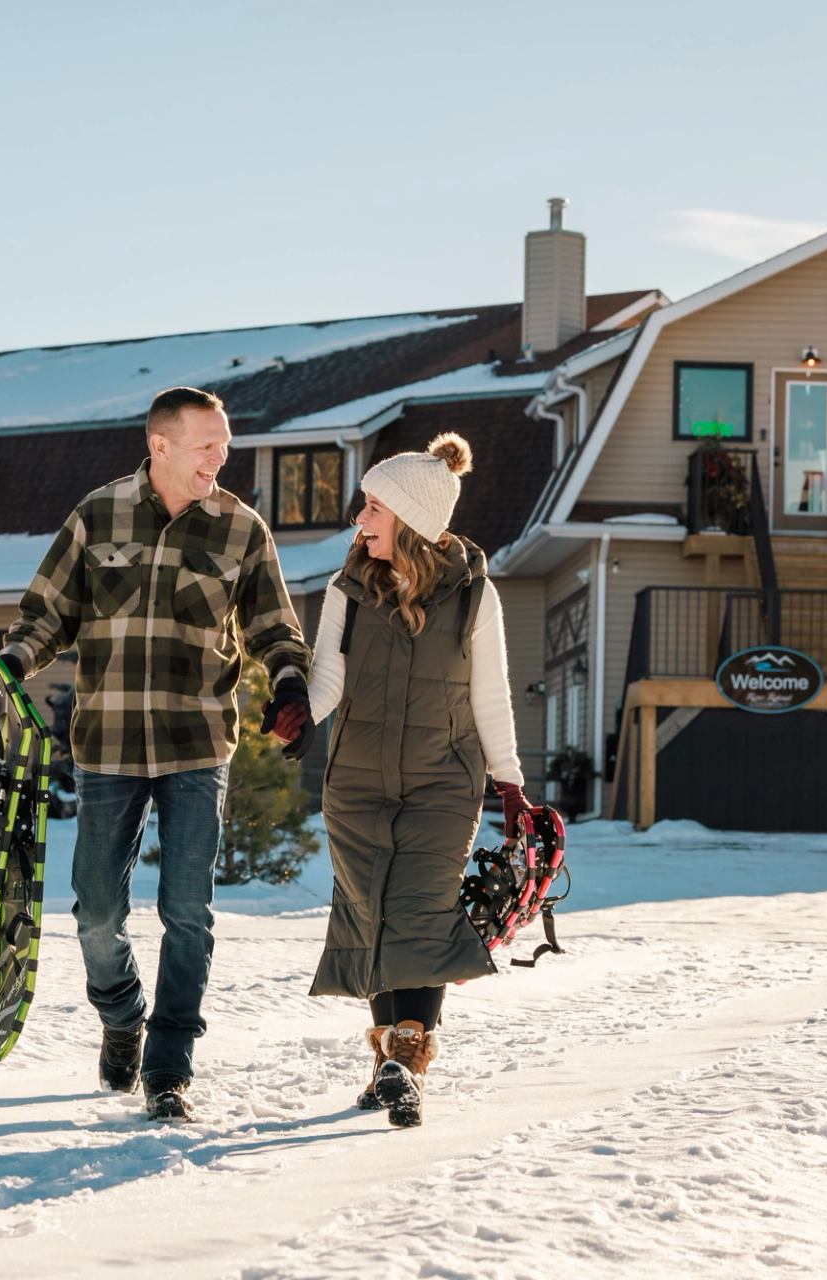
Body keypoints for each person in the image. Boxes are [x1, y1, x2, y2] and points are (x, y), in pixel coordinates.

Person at [0, 386, 313, 1122]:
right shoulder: (98, 516)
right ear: (160, 445)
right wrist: (9, 666)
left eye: (226, 445)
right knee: (96, 910)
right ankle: (122, 1014)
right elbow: (46, 614)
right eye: (208, 445)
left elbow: (275, 628)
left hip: (198, 744)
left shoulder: (241, 529)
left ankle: (168, 1068)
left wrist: (290, 684)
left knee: (187, 911)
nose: (222, 458)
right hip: (109, 745)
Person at [306, 431, 526, 1128]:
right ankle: (389, 1068)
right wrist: (283, 717)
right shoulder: (348, 587)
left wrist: (512, 786)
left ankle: (407, 1059)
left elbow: (491, 695)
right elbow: (326, 680)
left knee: (422, 914)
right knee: (373, 914)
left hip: (442, 781)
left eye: (372, 506)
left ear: (410, 517)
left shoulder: (473, 598)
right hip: (357, 783)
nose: (359, 519)